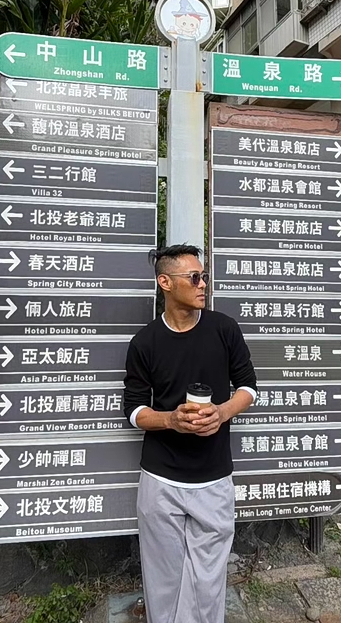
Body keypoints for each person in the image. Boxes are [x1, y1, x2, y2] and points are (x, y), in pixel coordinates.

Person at [123, 244, 257, 623]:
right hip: (160, 478)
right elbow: (133, 409)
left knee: (208, 579)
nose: (203, 285)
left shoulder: (224, 329)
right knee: (162, 576)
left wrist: (222, 412)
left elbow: (249, 386)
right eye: (194, 278)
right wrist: (171, 421)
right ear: (165, 283)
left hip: (214, 476)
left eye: (204, 277)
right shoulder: (145, 342)